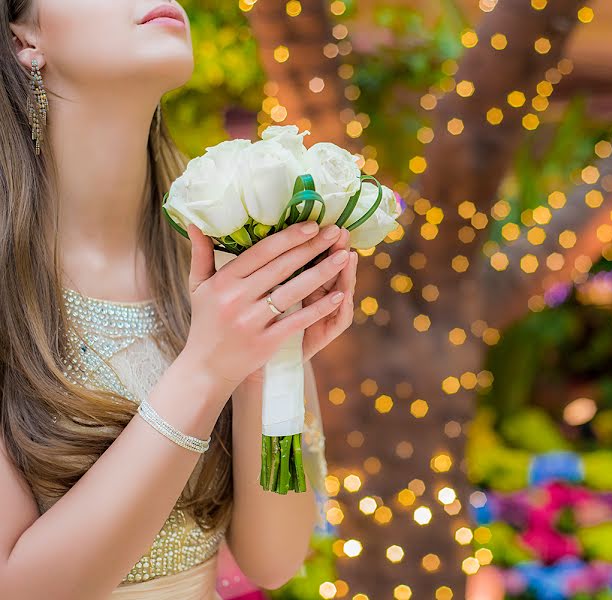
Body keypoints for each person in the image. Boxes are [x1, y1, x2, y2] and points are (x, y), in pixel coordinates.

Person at [0, 1, 359, 598]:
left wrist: (266, 364)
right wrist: (206, 368)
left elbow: (274, 559)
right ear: (24, 39)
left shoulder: (227, 243)